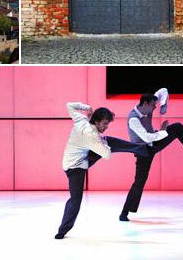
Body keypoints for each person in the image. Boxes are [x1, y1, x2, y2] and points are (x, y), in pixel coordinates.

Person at [55, 102, 150, 240]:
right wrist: (103, 142)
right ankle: (62, 231)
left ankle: (142, 149)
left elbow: (69, 105)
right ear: (97, 121)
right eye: (105, 124)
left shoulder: (81, 120)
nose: (106, 127)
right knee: (76, 199)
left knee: (108, 140)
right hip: (75, 167)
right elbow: (107, 155)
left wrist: (86, 108)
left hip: (75, 159)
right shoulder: (91, 135)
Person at [119, 88, 183, 222]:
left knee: (177, 127)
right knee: (139, 181)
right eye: (153, 105)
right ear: (145, 104)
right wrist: (164, 132)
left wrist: (164, 105)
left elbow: (163, 90)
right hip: (143, 150)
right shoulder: (133, 119)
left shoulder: (148, 107)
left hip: (155, 139)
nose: (155, 108)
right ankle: (124, 212)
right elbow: (147, 138)